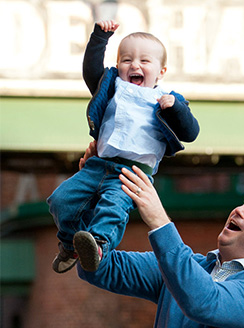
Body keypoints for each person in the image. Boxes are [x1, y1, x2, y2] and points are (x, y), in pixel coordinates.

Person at [47, 20, 200, 274]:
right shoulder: (112, 86)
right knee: (60, 199)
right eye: (126, 60)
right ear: (118, 66)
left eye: (144, 61)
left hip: (132, 173)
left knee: (113, 208)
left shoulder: (164, 99)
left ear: (161, 72)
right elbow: (91, 70)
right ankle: (71, 244)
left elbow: (191, 132)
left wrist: (176, 107)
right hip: (98, 165)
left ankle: (98, 246)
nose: (134, 65)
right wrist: (99, 38)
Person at [77, 165, 244, 328]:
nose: (239, 210)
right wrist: (96, 192)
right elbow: (99, 266)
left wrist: (160, 222)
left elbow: (204, 301)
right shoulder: (186, 268)